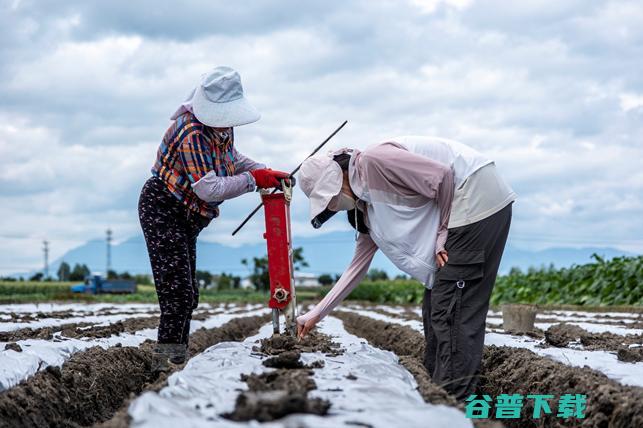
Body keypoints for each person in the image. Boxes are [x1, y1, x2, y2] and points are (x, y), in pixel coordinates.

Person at [296, 136, 515, 400]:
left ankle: (452, 404)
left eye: (332, 197)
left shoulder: (374, 161)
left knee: (451, 310)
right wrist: (317, 314)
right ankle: (437, 391)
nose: (335, 204)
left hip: (474, 195)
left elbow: (443, 177)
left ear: (338, 177)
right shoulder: (367, 209)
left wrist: (442, 234)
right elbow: (357, 267)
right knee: (435, 306)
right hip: (464, 207)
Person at [138, 67, 289, 370]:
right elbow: (208, 188)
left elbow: (231, 159)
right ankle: (164, 364)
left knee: (189, 294)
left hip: (188, 217)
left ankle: (175, 357)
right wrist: (253, 180)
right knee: (176, 293)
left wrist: (264, 169)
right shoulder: (190, 131)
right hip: (164, 208)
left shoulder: (221, 128)